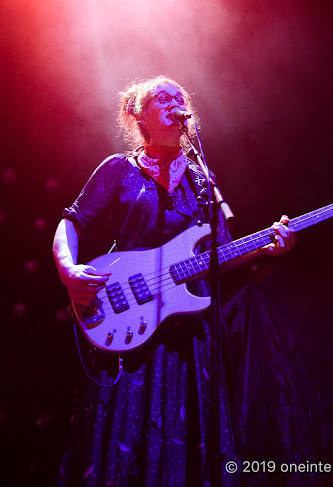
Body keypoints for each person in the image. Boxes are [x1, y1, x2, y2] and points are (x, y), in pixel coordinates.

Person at [53, 75, 295, 487]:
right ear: (139, 115)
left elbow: (221, 257)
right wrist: (68, 269)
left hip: (187, 337)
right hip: (125, 322)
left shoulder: (203, 181)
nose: (173, 103)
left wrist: (266, 247)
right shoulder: (119, 170)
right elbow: (70, 222)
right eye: (161, 98)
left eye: (178, 97)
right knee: (119, 438)